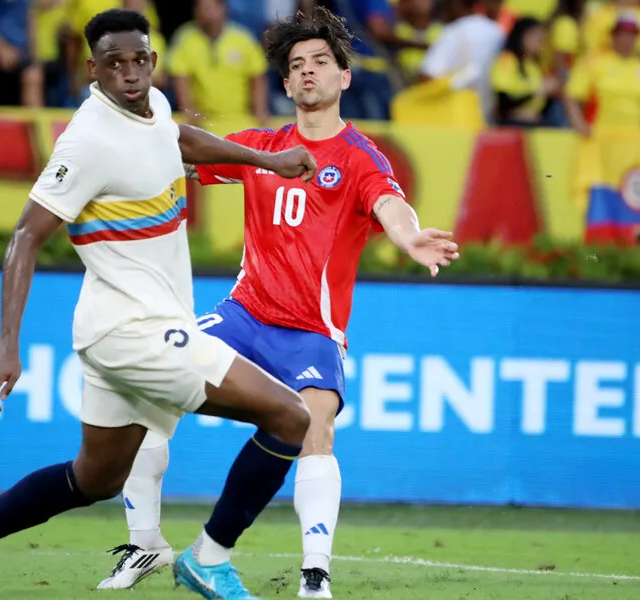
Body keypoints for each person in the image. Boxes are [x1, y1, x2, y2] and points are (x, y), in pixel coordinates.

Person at [0, 8, 321, 600]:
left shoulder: (154, 105)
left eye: (139, 60)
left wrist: (268, 161)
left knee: (93, 479)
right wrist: (7, 349)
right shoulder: (87, 140)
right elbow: (24, 238)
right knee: (291, 416)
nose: (130, 73)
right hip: (133, 332)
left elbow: (177, 138)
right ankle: (210, 557)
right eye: (114, 64)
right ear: (92, 69)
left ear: (153, 60)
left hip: (115, 331)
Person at [95, 7, 460, 599]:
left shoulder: (361, 157)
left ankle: (314, 575)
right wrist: (120, 145)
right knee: (145, 387)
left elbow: (392, 206)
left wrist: (409, 235)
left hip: (311, 333)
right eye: (297, 65)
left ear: (344, 76)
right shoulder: (261, 148)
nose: (309, 71)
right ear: (287, 85)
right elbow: (175, 158)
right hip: (242, 316)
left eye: (321, 61)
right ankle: (145, 543)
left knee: (316, 426)